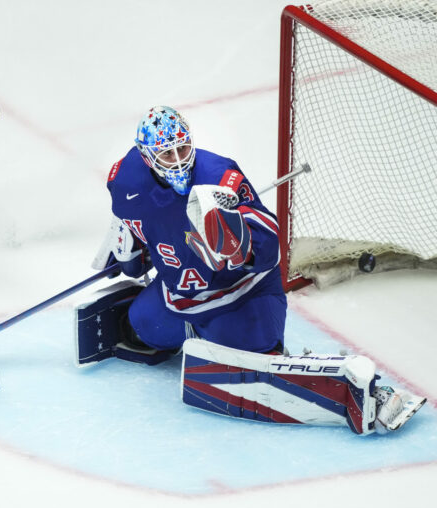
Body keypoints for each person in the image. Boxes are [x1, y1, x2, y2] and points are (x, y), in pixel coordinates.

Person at [75, 106, 424, 435]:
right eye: (168, 154)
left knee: (253, 358)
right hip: (179, 298)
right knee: (140, 327)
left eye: (183, 149)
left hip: (241, 295)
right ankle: (196, 335)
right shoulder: (125, 179)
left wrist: (239, 242)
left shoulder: (220, 176)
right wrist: (126, 249)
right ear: (147, 156)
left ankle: (337, 383)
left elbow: (270, 242)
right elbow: (130, 220)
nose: (179, 160)